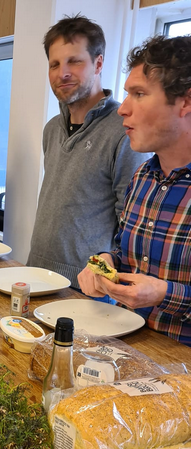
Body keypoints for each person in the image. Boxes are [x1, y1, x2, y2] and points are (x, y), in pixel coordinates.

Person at [78, 35, 191, 346]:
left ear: (185, 102)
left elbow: (161, 289)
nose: (123, 109)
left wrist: (165, 294)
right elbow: (127, 258)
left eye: (139, 94)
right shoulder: (143, 177)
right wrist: (105, 263)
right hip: (128, 349)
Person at [26, 15, 148, 289]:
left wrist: (101, 275)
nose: (62, 73)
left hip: (87, 288)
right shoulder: (52, 129)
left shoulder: (124, 131)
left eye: (74, 61)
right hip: (36, 273)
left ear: (99, 63)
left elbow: (130, 226)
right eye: (55, 64)